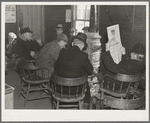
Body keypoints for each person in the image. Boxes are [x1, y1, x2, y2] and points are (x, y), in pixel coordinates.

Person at [54, 32, 93, 109]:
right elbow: (90, 71)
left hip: (60, 89)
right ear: (82, 46)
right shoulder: (83, 55)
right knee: (86, 82)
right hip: (76, 91)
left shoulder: (62, 51)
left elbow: (55, 67)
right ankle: (86, 106)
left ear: (72, 43)